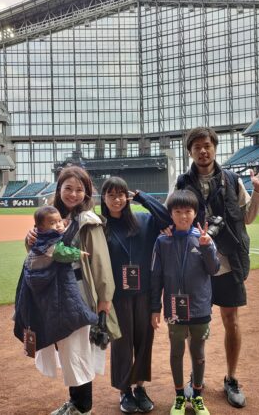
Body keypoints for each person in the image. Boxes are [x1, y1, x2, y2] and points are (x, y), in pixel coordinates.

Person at [175, 127, 259, 409]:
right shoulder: (182, 183)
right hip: (196, 266)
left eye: (207, 145)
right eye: (197, 147)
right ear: (191, 152)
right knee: (197, 327)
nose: (203, 151)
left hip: (229, 263)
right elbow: (176, 219)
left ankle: (231, 378)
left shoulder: (232, 180)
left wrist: (258, 190)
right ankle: (196, 377)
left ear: (214, 148)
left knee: (231, 321)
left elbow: (247, 217)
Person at [25, 166, 121, 415]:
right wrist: (30, 239)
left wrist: (105, 299)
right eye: (68, 188)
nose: (73, 194)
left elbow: (101, 262)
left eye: (80, 189)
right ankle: (75, 401)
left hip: (80, 294)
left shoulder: (89, 221)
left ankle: (83, 407)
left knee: (77, 351)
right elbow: (39, 254)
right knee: (67, 349)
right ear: (59, 189)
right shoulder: (50, 219)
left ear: (87, 193)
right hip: (56, 295)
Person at [100, 176, 171, 413]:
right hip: (117, 297)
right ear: (104, 198)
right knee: (122, 344)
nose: (117, 199)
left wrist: (142, 197)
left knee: (144, 342)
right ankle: (124, 391)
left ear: (127, 196)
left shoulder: (143, 220)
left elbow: (166, 217)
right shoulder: (101, 226)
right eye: (111, 195)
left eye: (121, 194)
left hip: (144, 293)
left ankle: (140, 387)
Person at [151, 190, 220, 415]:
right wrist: (155, 307)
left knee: (198, 352)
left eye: (188, 211)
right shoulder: (162, 241)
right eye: (178, 212)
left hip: (199, 306)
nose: (183, 216)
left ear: (195, 213)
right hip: (174, 308)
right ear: (170, 214)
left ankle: (198, 396)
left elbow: (214, 269)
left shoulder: (203, 238)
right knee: (176, 351)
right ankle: (180, 396)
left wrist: (206, 246)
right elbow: (156, 277)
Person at [13, 206, 97, 354]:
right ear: (40, 227)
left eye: (59, 221)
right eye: (52, 223)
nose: (58, 225)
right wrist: (79, 253)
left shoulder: (44, 235)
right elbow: (60, 252)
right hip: (40, 275)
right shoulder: (47, 240)